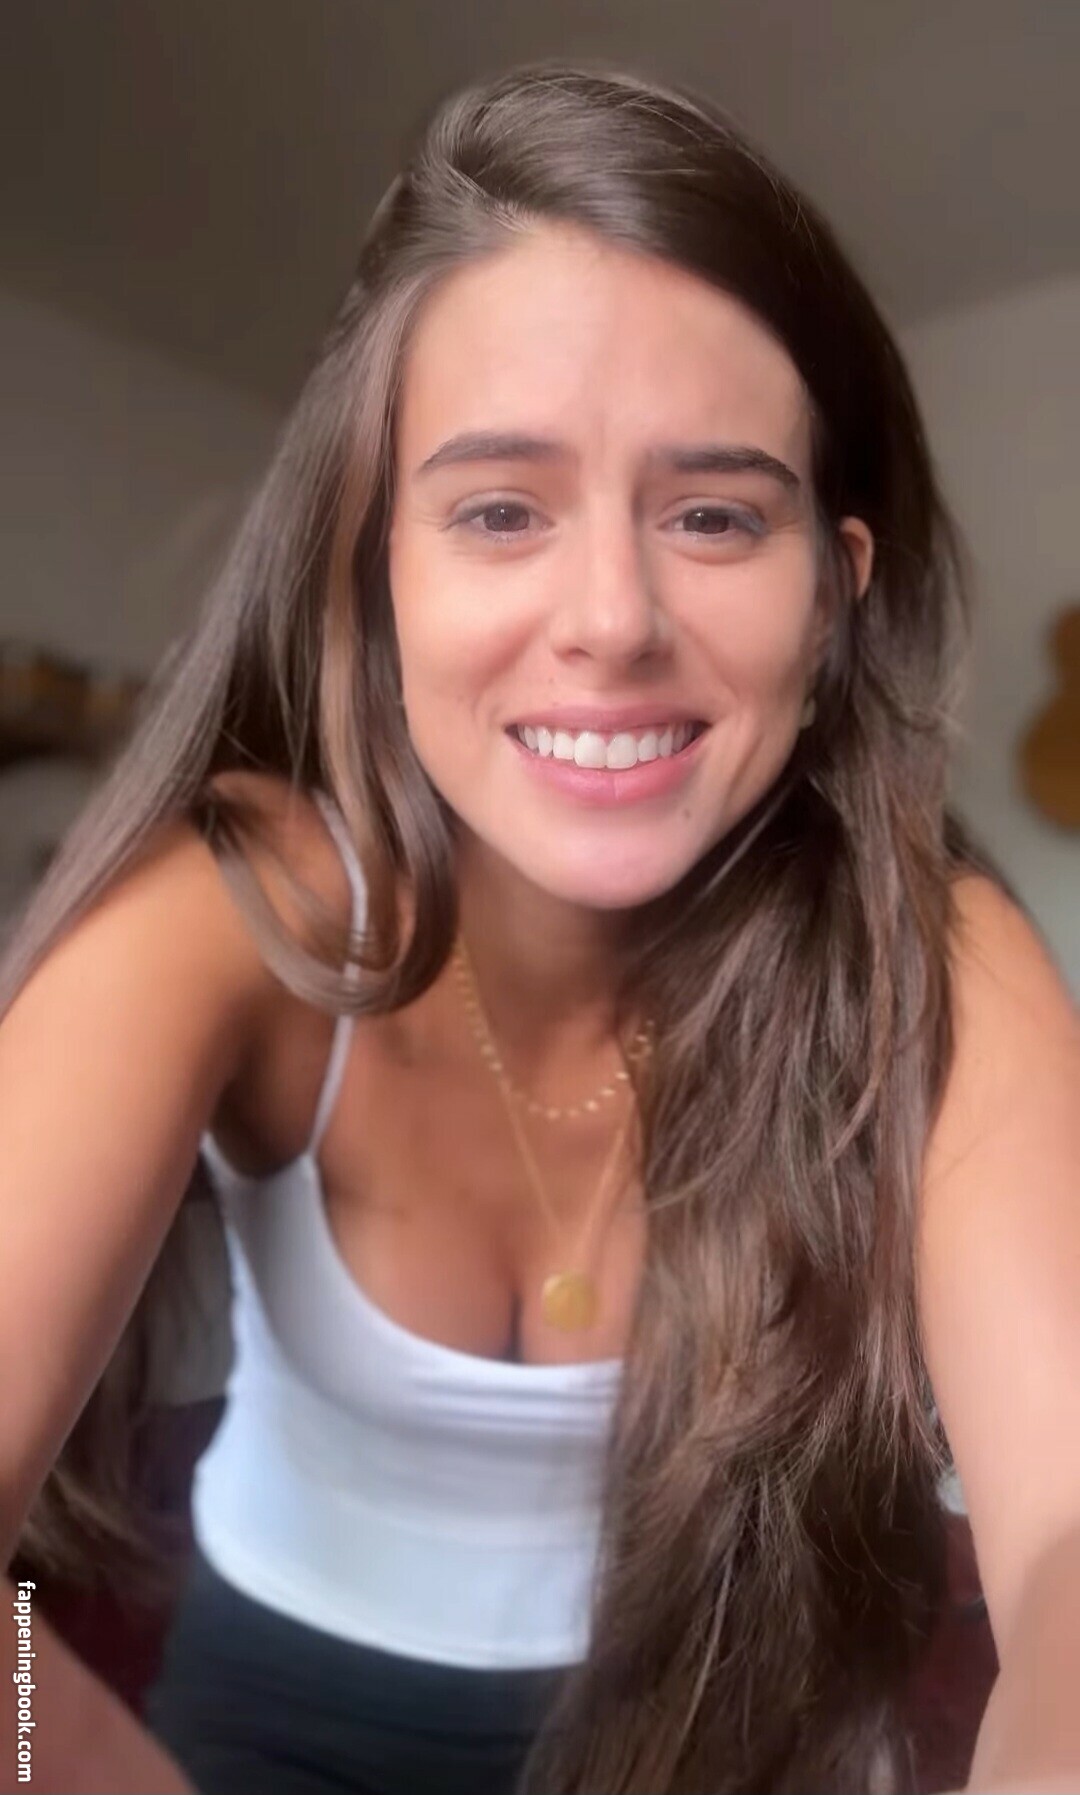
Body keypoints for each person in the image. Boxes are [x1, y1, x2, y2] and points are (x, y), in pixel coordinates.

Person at [0, 57, 1077, 1795]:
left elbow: (1068, 1548)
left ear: (835, 594)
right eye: (500, 510)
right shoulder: (233, 910)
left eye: (715, 515)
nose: (612, 619)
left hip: (724, 1726)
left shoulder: (928, 958)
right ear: (377, 578)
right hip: (266, 1712)